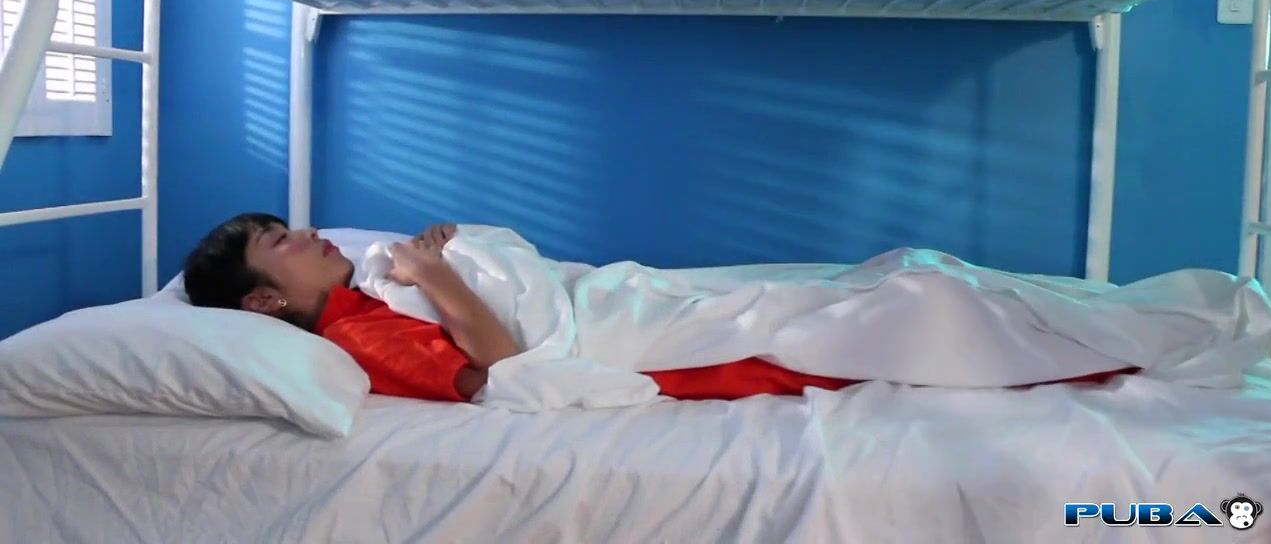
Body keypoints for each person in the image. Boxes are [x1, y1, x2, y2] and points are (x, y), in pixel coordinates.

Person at [182, 213, 858, 402]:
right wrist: (435, 273)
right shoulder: (356, 333)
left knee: (785, 296)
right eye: (281, 241)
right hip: (601, 338)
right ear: (263, 299)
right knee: (788, 335)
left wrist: (452, 248)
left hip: (591, 293)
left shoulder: (363, 287)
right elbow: (498, 362)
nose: (306, 233)